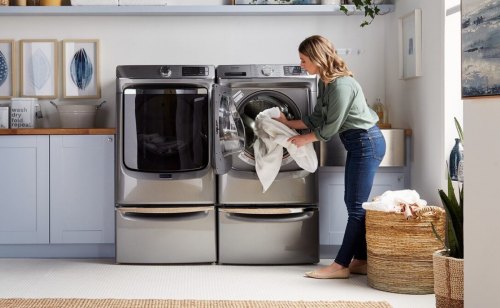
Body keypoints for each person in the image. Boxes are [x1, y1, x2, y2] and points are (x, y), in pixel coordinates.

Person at [274, 35, 386, 279]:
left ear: (317, 58)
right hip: (357, 143)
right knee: (354, 205)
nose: (302, 65)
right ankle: (361, 260)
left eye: (304, 60)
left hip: (367, 142)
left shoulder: (342, 86)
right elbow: (315, 119)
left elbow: (330, 127)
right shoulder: (324, 83)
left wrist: (305, 139)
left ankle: (340, 266)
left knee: (356, 208)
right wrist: (286, 123)